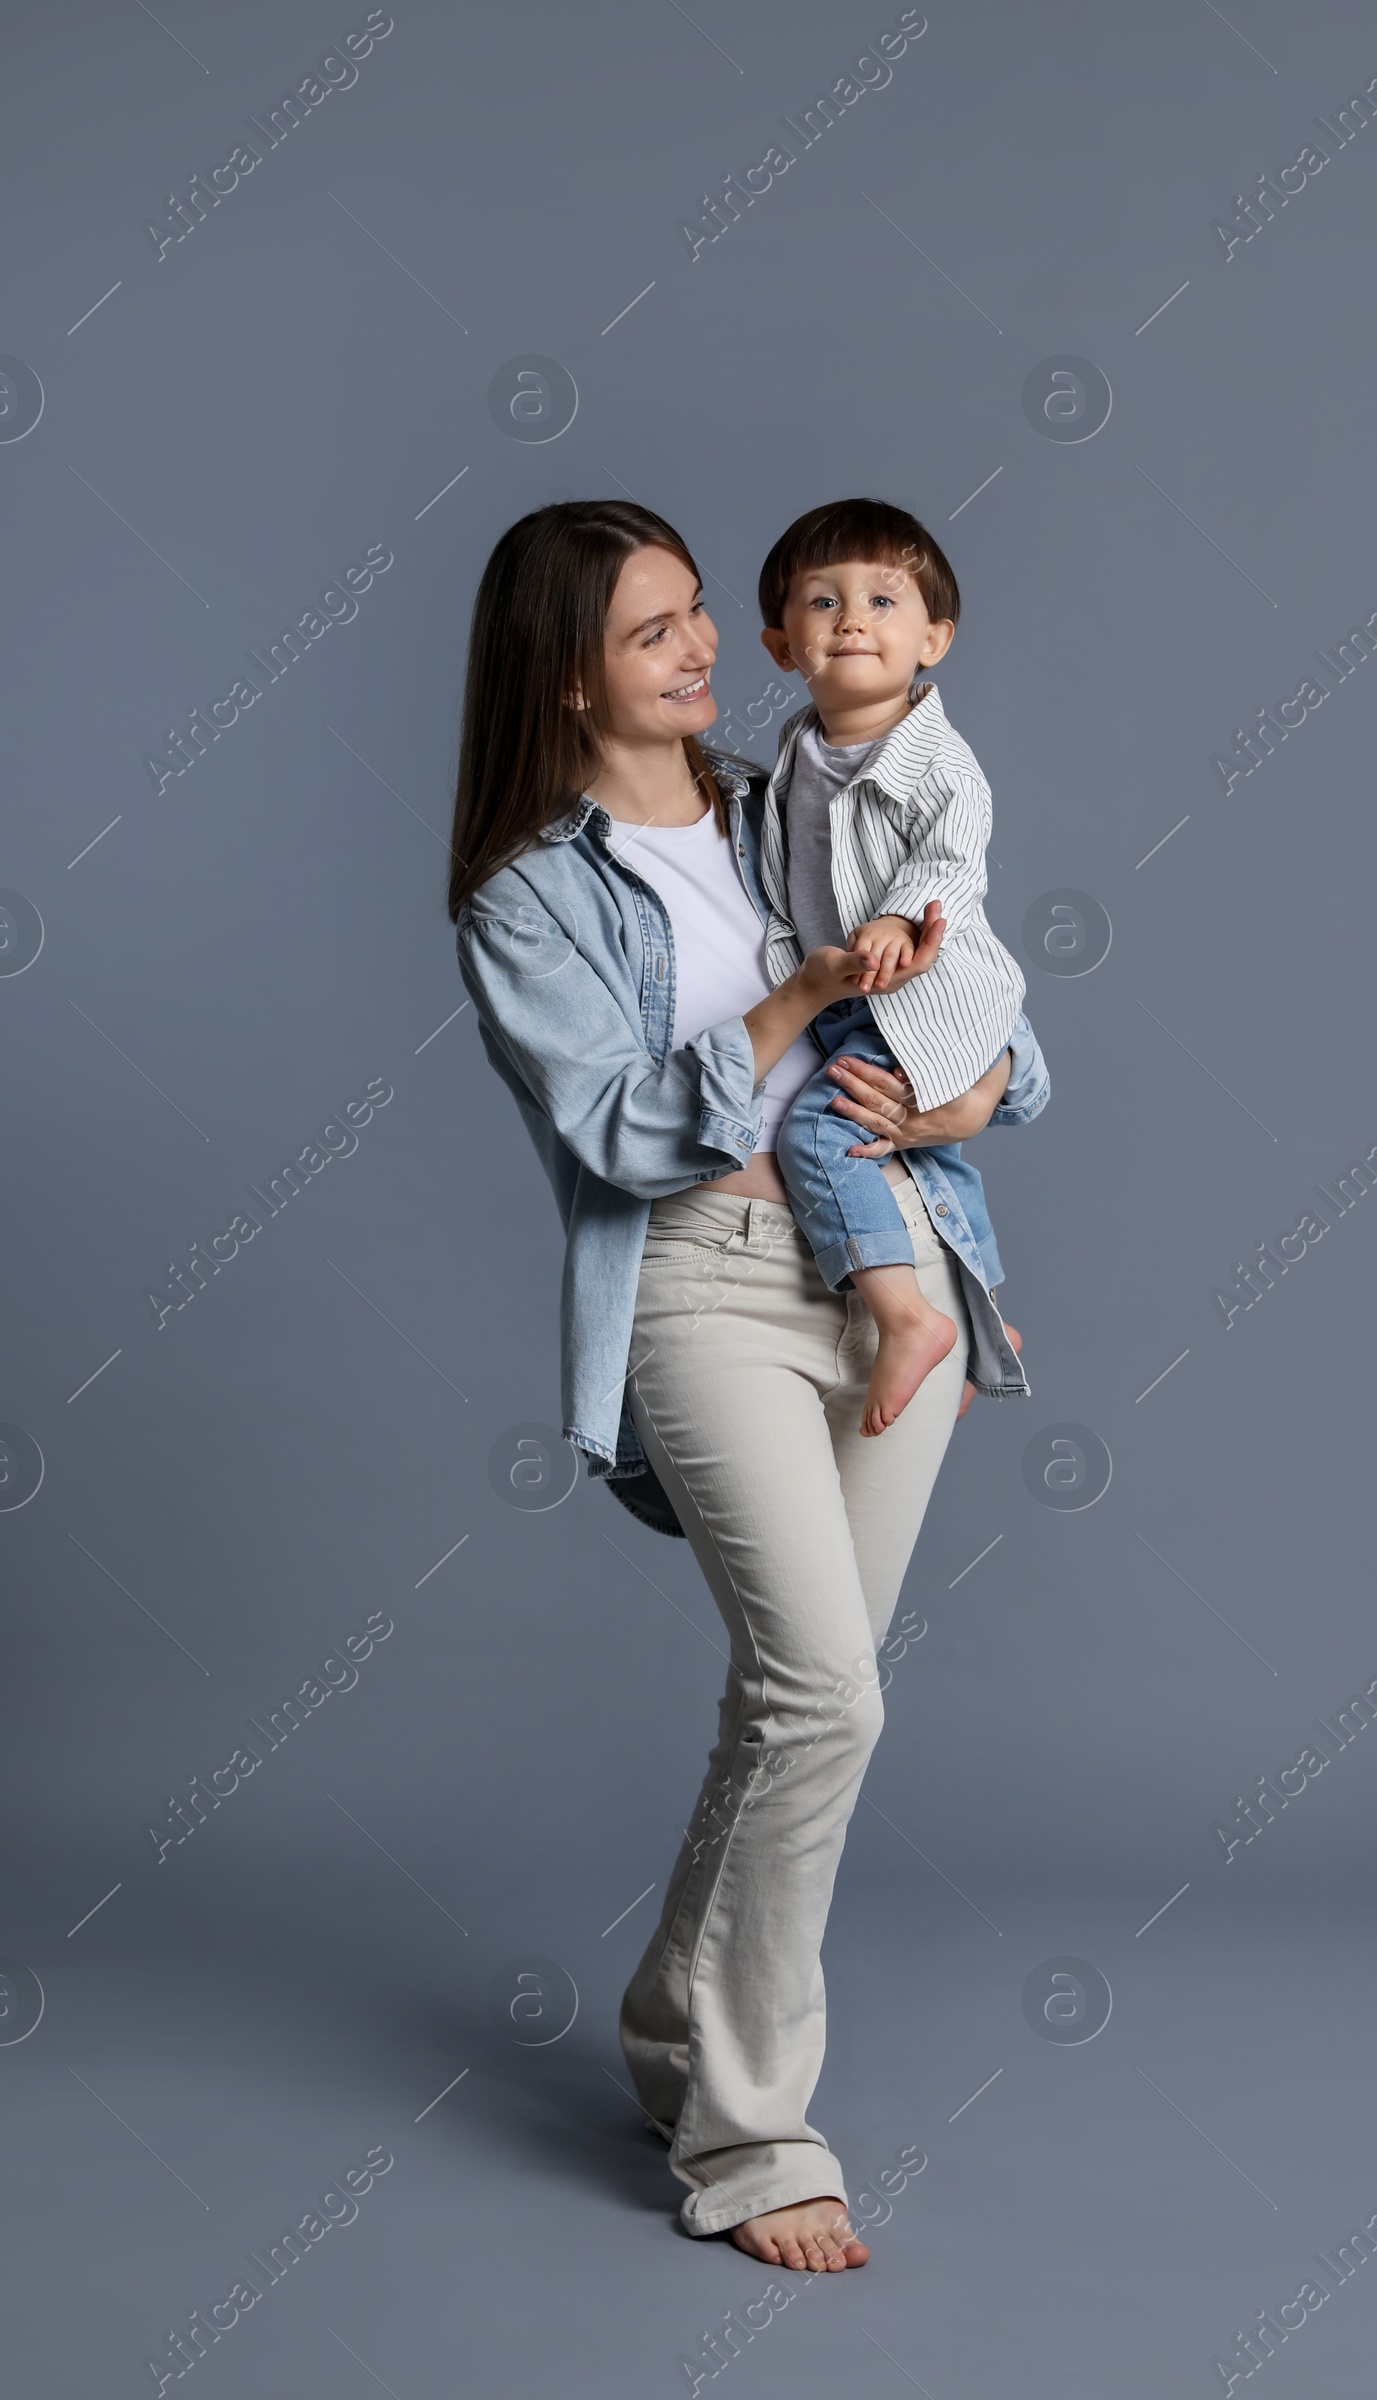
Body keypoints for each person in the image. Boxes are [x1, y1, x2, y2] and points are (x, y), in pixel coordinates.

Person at [449, 500, 1049, 2272]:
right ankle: (749, 2136)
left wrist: (963, 1092)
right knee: (827, 1696)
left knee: (801, 1704)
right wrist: (797, 993)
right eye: (654, 633)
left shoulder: (801, 783)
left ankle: (671, 2022)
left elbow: (995, 1004)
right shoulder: (526, 899)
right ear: (566, 679)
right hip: (704, 1282)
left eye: (704, 613)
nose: (706, 647)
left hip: (895, 1274)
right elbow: (626, 1129)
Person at [756, 497, 1027, 1436]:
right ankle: (986, 1316)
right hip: (849, 1002)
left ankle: (907, 1320)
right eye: (823, 604)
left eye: (882, 600)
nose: (854, 621)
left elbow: (956, 855)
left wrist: (895, 915)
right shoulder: (796, 749)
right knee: (932, 1157)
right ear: (780, 645)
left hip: (922, 994)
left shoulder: (938, 760)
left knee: (819, 1141)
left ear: (935, 640)